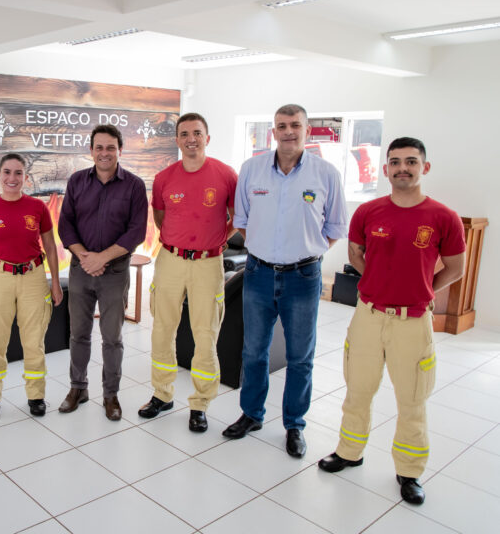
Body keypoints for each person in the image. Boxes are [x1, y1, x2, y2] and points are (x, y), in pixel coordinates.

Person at [318, 137, 465, 505]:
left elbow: (456, 267)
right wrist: (376, 284)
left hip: (413, 321)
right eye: (395, 161)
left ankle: (410, 471)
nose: (403, 168)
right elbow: (355, 253)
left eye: (411, 162)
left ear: (424, 168)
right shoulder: (368, 212)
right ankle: (349, 452)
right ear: (386, 169)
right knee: (357, 391)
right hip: (368, 316)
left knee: (412, 400)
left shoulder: (443, 217)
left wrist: (423, 288)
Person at [223, 104, 348, 458]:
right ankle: (252, 414)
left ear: (307, 130)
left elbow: (335, 227)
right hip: (259, 273)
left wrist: (307, 252)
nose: (288, 131)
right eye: (282, 125)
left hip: (304, 277)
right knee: (254, 351)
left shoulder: (325, 174)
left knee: (300, 357)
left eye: (295, 125)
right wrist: (266, 250)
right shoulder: (252, 169)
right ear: (273, 131)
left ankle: (294, 424)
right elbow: (242, 220)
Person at [138, 113, 237, 433]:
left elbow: (236, 217)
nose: (191, 138)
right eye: (184, 133)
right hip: (170, 260)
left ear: (208, 138)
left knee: (206, 334)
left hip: (209, 263)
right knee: (162, 329)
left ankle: (200, 403)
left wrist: (216, 239)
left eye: (197, 133)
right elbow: (160, 217)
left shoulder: (225, 175)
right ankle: (162, 394)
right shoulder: (165, 177)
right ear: (177, 139)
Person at [58, 124, 148, 421]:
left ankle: (111, 395)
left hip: (114, 273)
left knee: (113, 337)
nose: (105, 153)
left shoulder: (134, 186)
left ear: (120, 150)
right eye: (99, 147)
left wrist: (103, 259)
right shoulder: (76, 182)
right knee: (78, 334)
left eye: (111, 147)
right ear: (91, 150)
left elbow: (136, 231)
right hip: (81, 270)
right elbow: (65, 225)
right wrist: (86, 257)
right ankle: (78, 388)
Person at [0, 153, 64, 419]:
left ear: (25, 177)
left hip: (33, 276)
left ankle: (36, 395)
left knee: (34, 342)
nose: (12, 178)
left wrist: (55, 283)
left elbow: (51, 248)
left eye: (18, 173)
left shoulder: (38, 207)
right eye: (7, 172)